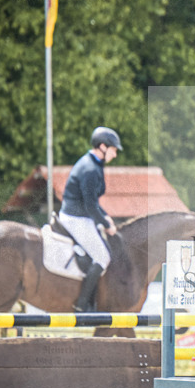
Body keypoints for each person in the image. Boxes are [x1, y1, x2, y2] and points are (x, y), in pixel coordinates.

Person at [59, 126, 122, 311]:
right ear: (103, 146)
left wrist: (105, 217)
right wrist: (105, 223)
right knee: (103, 257)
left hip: (80, 214)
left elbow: (92, 202)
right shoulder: (90, 169)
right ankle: (82, 305)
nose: (115, 154)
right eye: (114, 149)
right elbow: (90, 206)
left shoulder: (93, 163)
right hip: (75, 218)